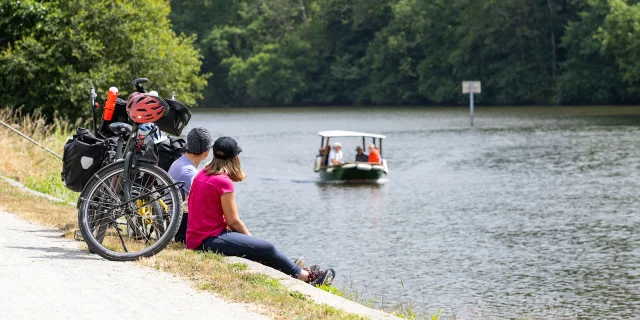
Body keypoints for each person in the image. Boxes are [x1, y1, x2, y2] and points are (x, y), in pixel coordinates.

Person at [187, 136, 335, 286]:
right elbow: (233, 222)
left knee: (260, 248)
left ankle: (288, 266)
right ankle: (307, 277)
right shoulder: (222, 181)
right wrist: (254, 243)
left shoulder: (203, 173)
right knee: (266, 247)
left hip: (197, 238)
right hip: (207, 240)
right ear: (234, 158)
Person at [168, 127, 213, 243]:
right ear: (206, 153)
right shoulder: (190, 172)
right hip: (179, 225)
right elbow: (192, 207)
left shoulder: (180, 162)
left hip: (171, 216)